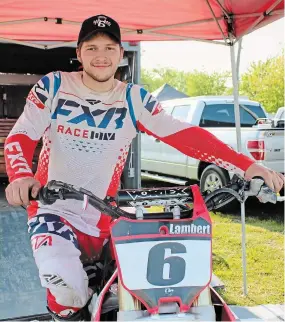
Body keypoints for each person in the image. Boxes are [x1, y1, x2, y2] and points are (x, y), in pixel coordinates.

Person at [4, 14, 284, 321]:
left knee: (142, 293)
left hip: (106, 216)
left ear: (121, 54)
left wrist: (247, 166)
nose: (101, 56)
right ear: (79, 52)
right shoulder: (55, 85)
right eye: (92, 48)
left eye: (110, 48)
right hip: (53, 210)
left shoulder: (132, 98)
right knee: (67, 289)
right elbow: (21, 136)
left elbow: (185, 135)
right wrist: (21, 176)